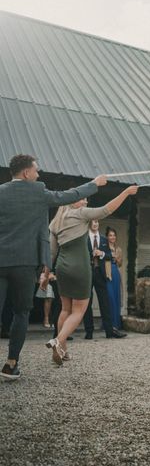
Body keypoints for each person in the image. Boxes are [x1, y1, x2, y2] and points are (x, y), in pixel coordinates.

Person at [0, 154, 105, 380]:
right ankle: (10, 365)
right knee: (21, 313)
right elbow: (68, 196)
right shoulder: (38, 191)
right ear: (27, 173)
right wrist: (95, 184)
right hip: (25, 264)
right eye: (36, 170)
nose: (38, 174)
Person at [46, 186, 138, 365]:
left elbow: (51, 252)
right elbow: (106, 209)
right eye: (83, 198)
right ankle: (58, 340)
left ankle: (62, 350)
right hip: (80, 267)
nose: (86, 201)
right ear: (74, 200)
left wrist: (46, 273)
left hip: (62, 268)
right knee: (78, 311)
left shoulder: (56, 221)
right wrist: (125, 193)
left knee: (65, 309)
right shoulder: (80, 213)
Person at [82, 220, 126, 339]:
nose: (95, 224)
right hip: (88, 273)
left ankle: (109, 331)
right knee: (87, 303)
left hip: (101, 274)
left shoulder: (103, 239)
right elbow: (80, 255)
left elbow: (109, 255)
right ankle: (89, 331)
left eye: (97, 222)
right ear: (89, 224)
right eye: (93, 222)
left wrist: (101, 253)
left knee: (105, 303)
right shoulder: (84, 238)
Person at [105, 227, 124, 330]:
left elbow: (120, 264)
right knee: (109, 298)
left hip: (116, 273)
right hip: (108, 274)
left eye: (114, 235)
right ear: (107, 237)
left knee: (116, 298)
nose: (112, 237)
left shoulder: (119, 249)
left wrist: (117, 258)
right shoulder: (104, 248)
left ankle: (116, 324)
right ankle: (108, 323)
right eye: (110, 235)